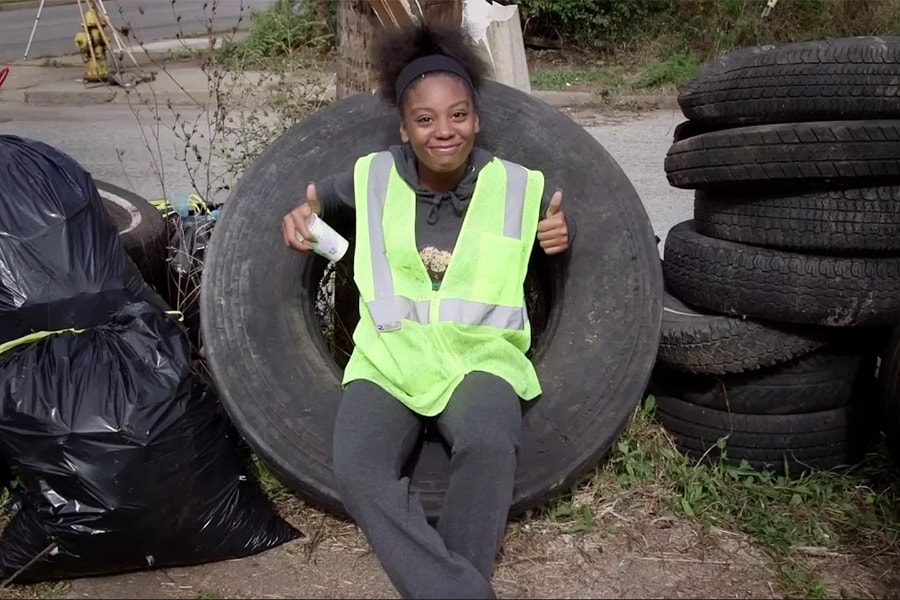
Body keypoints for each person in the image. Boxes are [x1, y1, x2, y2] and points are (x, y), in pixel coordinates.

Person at [281, 18, 575, 600]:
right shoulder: (370, 178)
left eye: (458, 114)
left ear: (477, 118)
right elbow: (307, 208)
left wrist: (561, 236)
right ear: (405, 127)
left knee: (489, 444)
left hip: (480, 357)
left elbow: (563, 228)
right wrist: (297, 218)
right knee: (359, 469)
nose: (445, 131)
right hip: (391, 357)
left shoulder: (518, 187)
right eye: (426, 119)